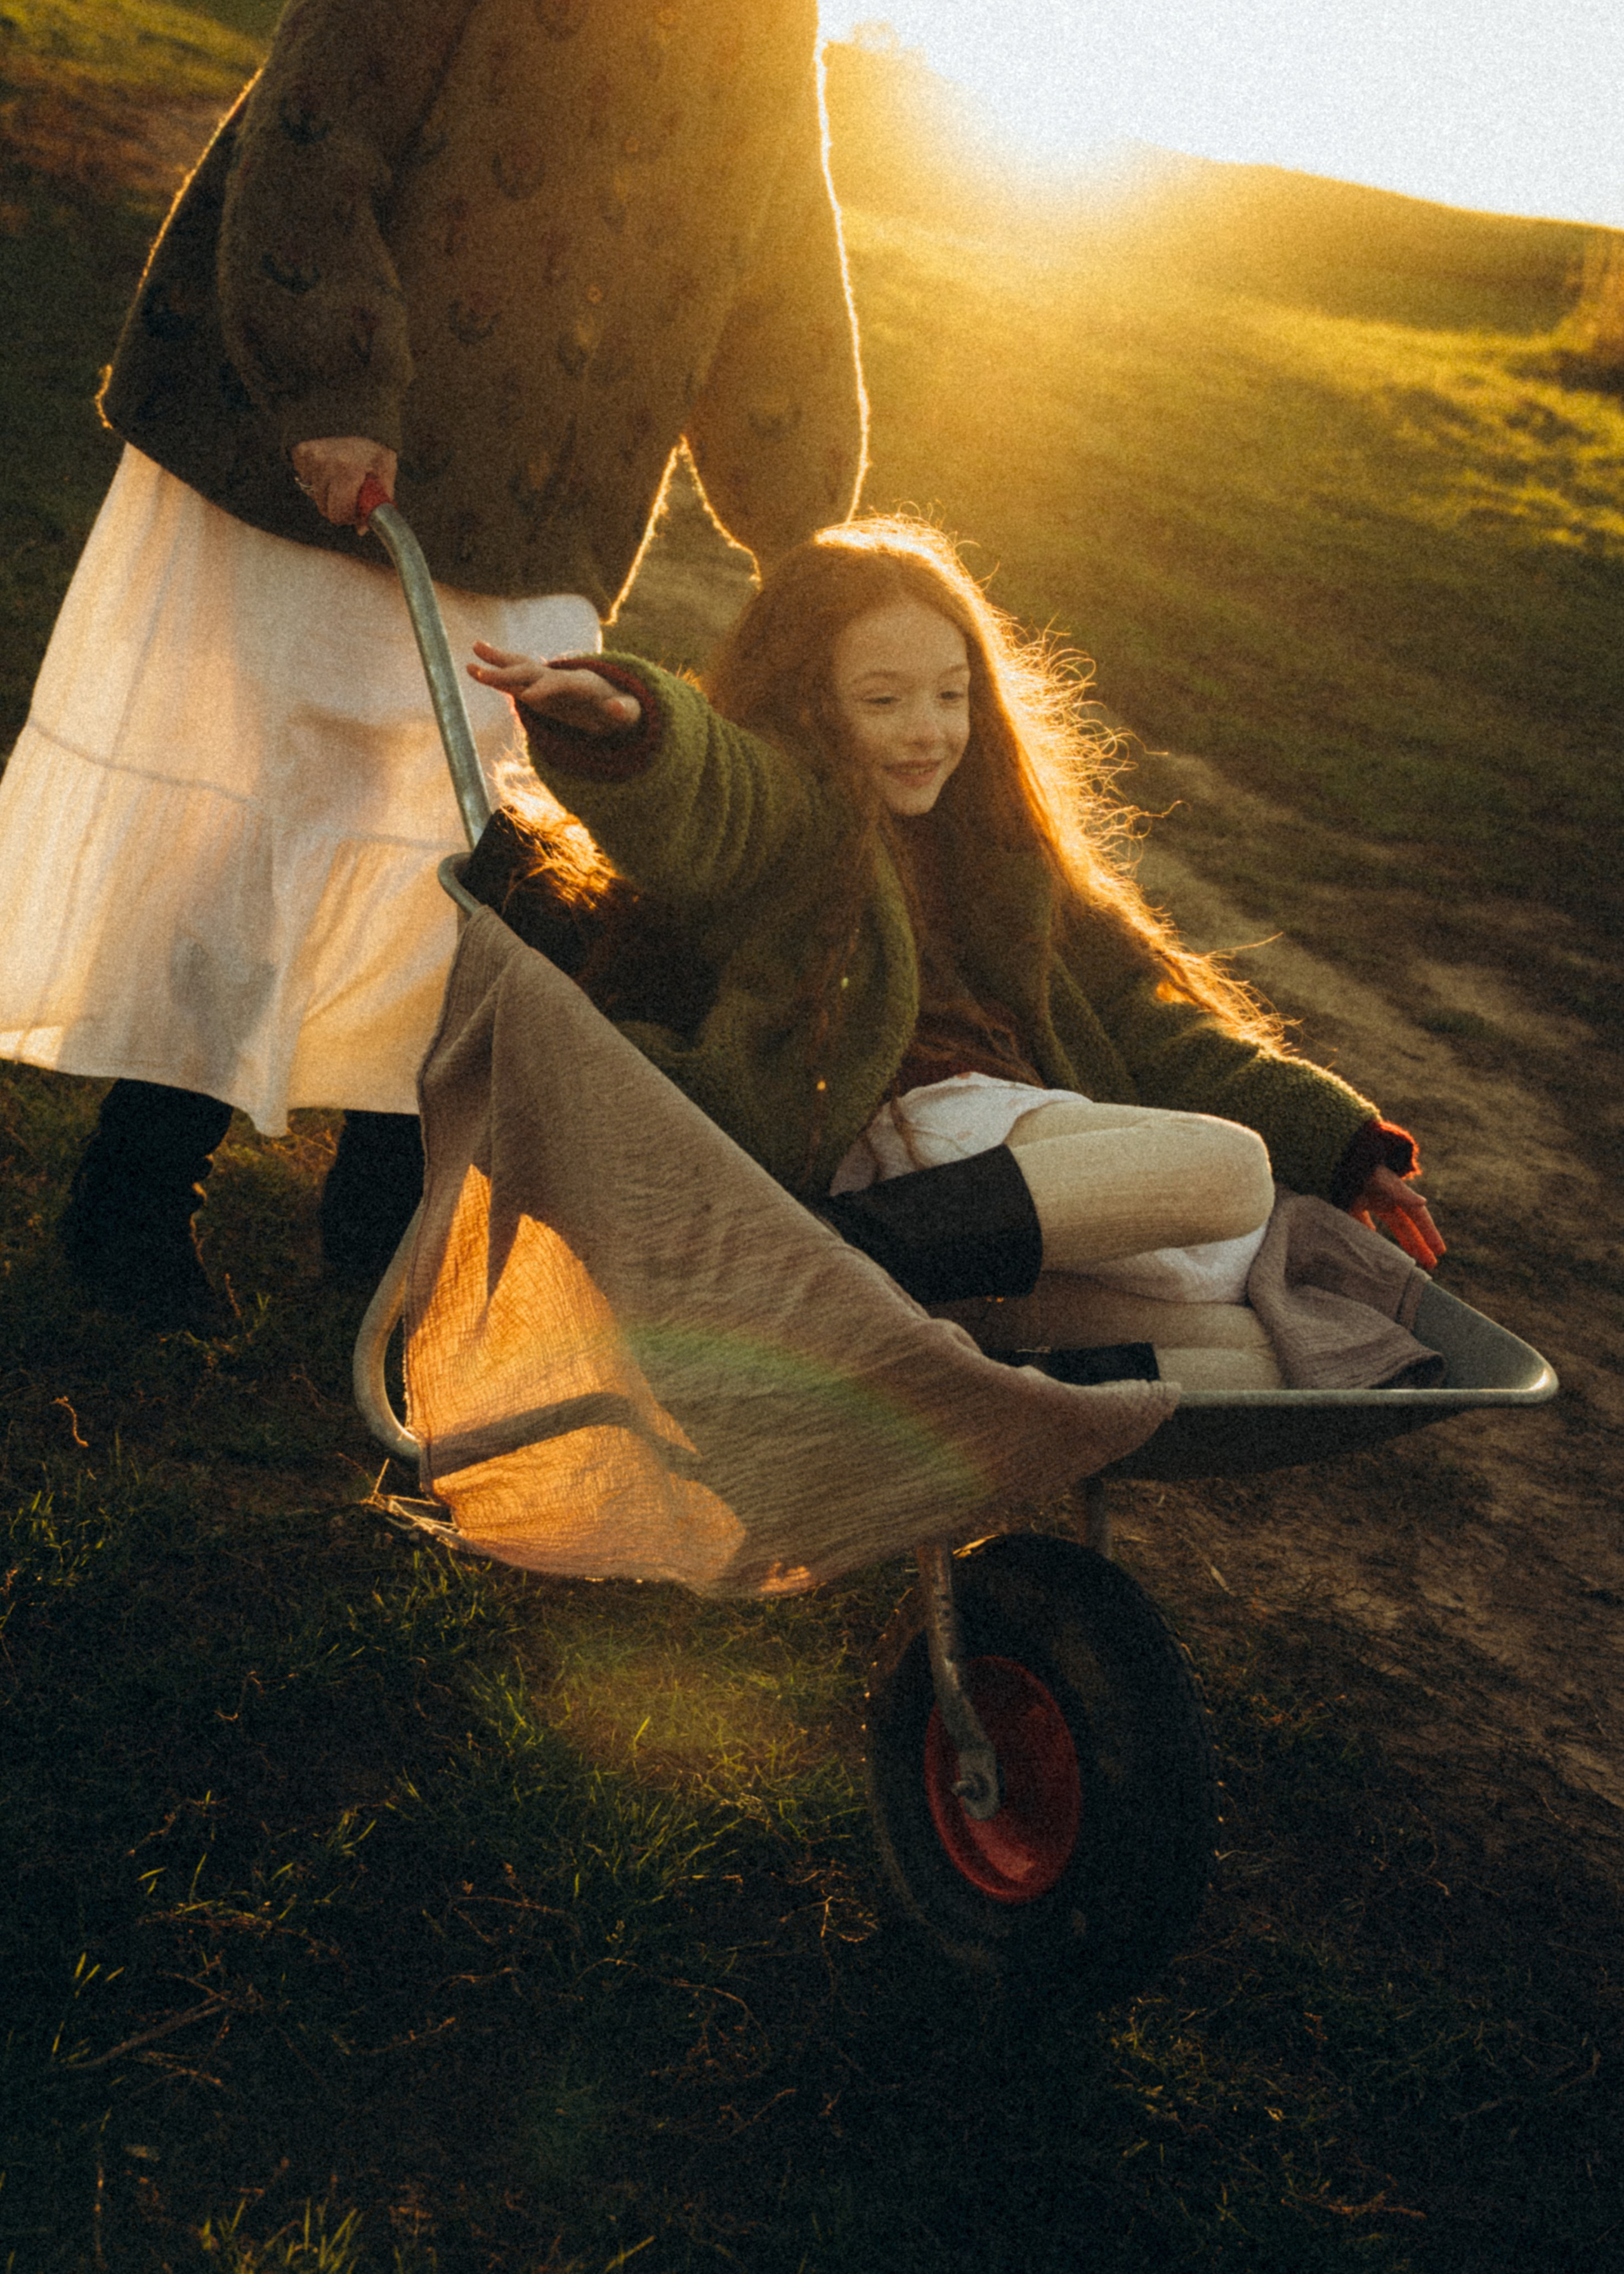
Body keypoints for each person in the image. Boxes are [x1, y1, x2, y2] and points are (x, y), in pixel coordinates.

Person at [0, 0, 865, 1327]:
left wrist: (803, 523)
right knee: (283, 817)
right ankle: (135, 1193)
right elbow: (318, 130)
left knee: (480, 852)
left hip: (548, 490)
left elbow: (778, 238)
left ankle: (381, 1215)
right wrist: (336, 387)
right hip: (339, 452)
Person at [460, 517, 1441, 1377]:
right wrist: (632, 727)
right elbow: (717, 789)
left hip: (1003, 1189)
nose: (927, 732)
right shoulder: (807, 819)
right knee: (1232, 1176)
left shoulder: (998, 852)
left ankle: (939, 1359)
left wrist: (1342, 1143)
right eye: (883, 702)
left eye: (950, 695)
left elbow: (1147, 1023)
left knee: (1249, 1354)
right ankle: (821, 1267)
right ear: (810, 707)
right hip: (898, 1136)